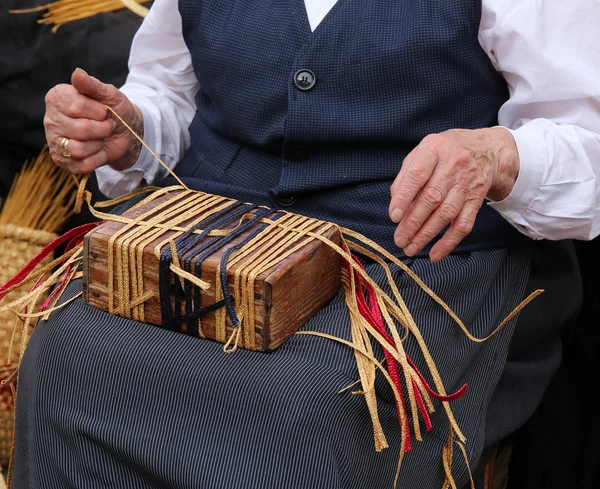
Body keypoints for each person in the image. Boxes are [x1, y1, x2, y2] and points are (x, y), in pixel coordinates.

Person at [13, 0, 599, 488]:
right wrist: (130, 129)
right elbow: (169, 89)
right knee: (66, 347)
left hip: (401, 260)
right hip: (216, 237)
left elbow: (586, 140)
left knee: (316, 403)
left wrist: (495, 155)